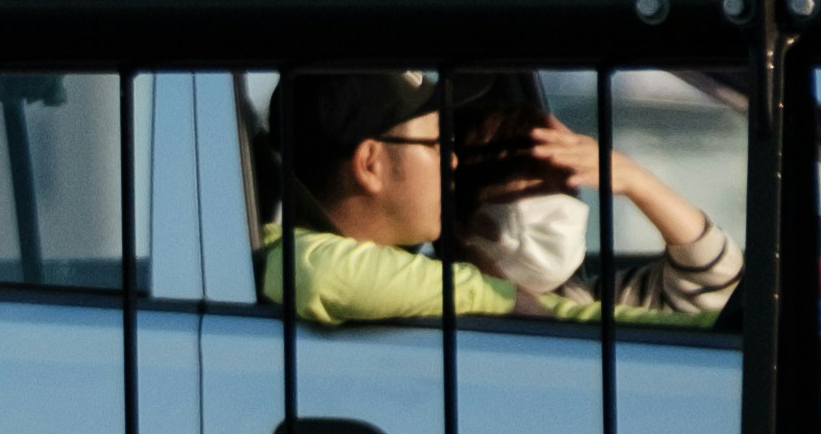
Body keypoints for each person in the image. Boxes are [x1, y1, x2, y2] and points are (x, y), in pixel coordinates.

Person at [249, 67, 741, 327]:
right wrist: (506, 303)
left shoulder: (402, 275)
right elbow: (319, 273)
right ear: (371, 163)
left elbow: (710, 287)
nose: (453, 162)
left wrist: (640, 182)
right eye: (437, 144)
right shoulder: (282, 260)